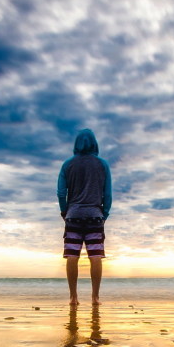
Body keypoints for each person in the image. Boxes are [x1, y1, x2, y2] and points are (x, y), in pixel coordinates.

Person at [57, 129, 112, 306]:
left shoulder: (67, 165)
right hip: (95, 215)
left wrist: (65, 211)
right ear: (95, 143)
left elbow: (61, 192)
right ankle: (95, 297)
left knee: (72, 255)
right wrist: (105, 213)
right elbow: (107, 193)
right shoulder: (102, 164)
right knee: (95, 256)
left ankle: (73, 297)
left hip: (73, 215)